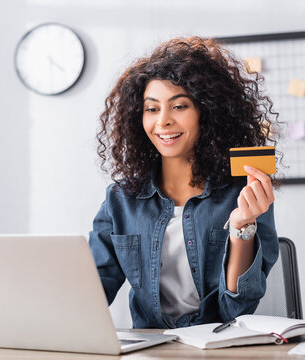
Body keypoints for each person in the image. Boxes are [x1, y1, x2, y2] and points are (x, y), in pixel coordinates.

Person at [90, 36, 279, 329]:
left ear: (207, 112)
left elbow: (236, 308)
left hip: (217, 347)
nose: (163, 121)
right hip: (150, 349)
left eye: (179, 106)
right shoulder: (120, 200)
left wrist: (242, 226)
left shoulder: (243, 195)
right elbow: (91, 292)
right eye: (152, 109)